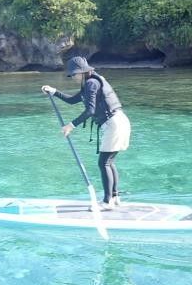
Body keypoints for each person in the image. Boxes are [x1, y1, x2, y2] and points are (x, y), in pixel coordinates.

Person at [41, 56, 131, 210]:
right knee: (109, 162)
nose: (73, 77)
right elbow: (71, 100)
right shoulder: (90, 83)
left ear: (82, 72)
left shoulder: (91, 83)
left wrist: (71, 125)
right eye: (71, 75)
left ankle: (107, 201)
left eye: (74, 74)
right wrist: (54, 91)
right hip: (120, 121)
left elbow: (90, 111)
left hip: (114, 123)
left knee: (104, 163)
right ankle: (114, 198)